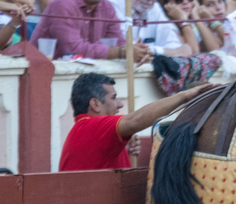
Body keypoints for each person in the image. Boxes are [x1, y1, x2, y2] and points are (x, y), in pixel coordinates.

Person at [61, 72, 213, 171]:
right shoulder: (89, 127)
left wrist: (122, 147)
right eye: (114, 98)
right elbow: (134, 121)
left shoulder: (90, 131)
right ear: (95, 104)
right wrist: (183, 96)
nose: (120, 104)